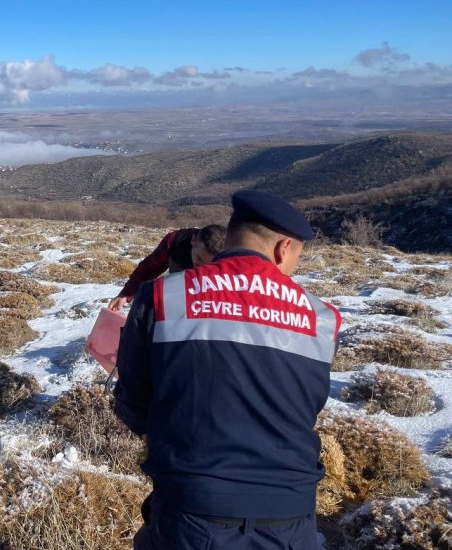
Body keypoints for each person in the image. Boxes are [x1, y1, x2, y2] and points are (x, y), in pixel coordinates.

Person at [114, 190, 341, 549]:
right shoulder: (323, 318)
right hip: (293, 511)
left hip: (191, 508)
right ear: (284, 248)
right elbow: (308, 404)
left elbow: (132, 402)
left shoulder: (163, 297)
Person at [108, 224, 225, 311]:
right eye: (199, 258)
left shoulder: (233, 258)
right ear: (193, 241)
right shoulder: (174, 241)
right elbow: (149, 268)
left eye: (209, 265)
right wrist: (126, 294)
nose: (200, 267)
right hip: (176, 301)